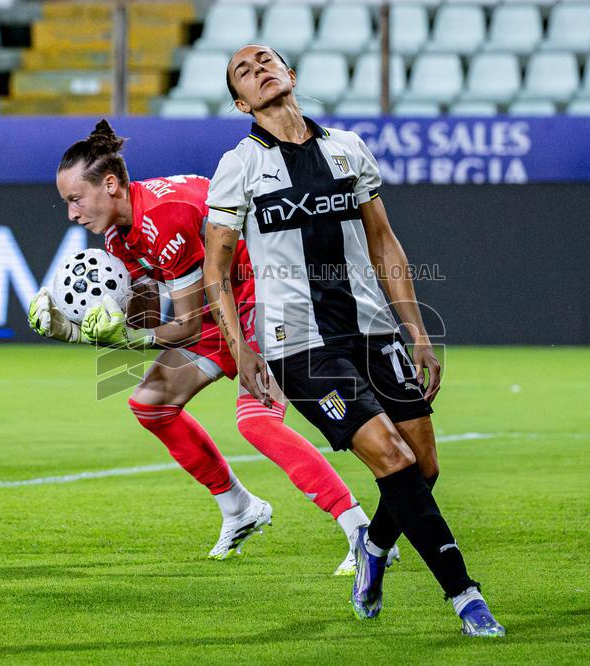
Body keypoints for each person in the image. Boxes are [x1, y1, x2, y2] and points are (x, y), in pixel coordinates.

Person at [202, 45, 504, 636]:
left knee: (424, 466)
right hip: (300, 348)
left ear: (291, 76)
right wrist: (242, 352)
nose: (259, 69)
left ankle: (373, 549)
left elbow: (384, 243)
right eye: (244, 70)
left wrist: (415, 329)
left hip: (372, 329)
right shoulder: (238, 166)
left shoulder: (347, 148)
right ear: (241, 102)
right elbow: (216, 269)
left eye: (267, 61)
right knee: (393, 458)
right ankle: (465, 597)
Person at [28, 119, 395, 573]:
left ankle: (363, 531)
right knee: (151, 403)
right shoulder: (119, 237)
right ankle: (240, 508)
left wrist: (114, 335)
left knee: (257, 423)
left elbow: (179, 328)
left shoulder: (166, 216)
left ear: (110, 184)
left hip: (268, 295)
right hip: (222, 307)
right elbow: (143, 324)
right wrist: (78, 325)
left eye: (75, 199)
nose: (71, 213)